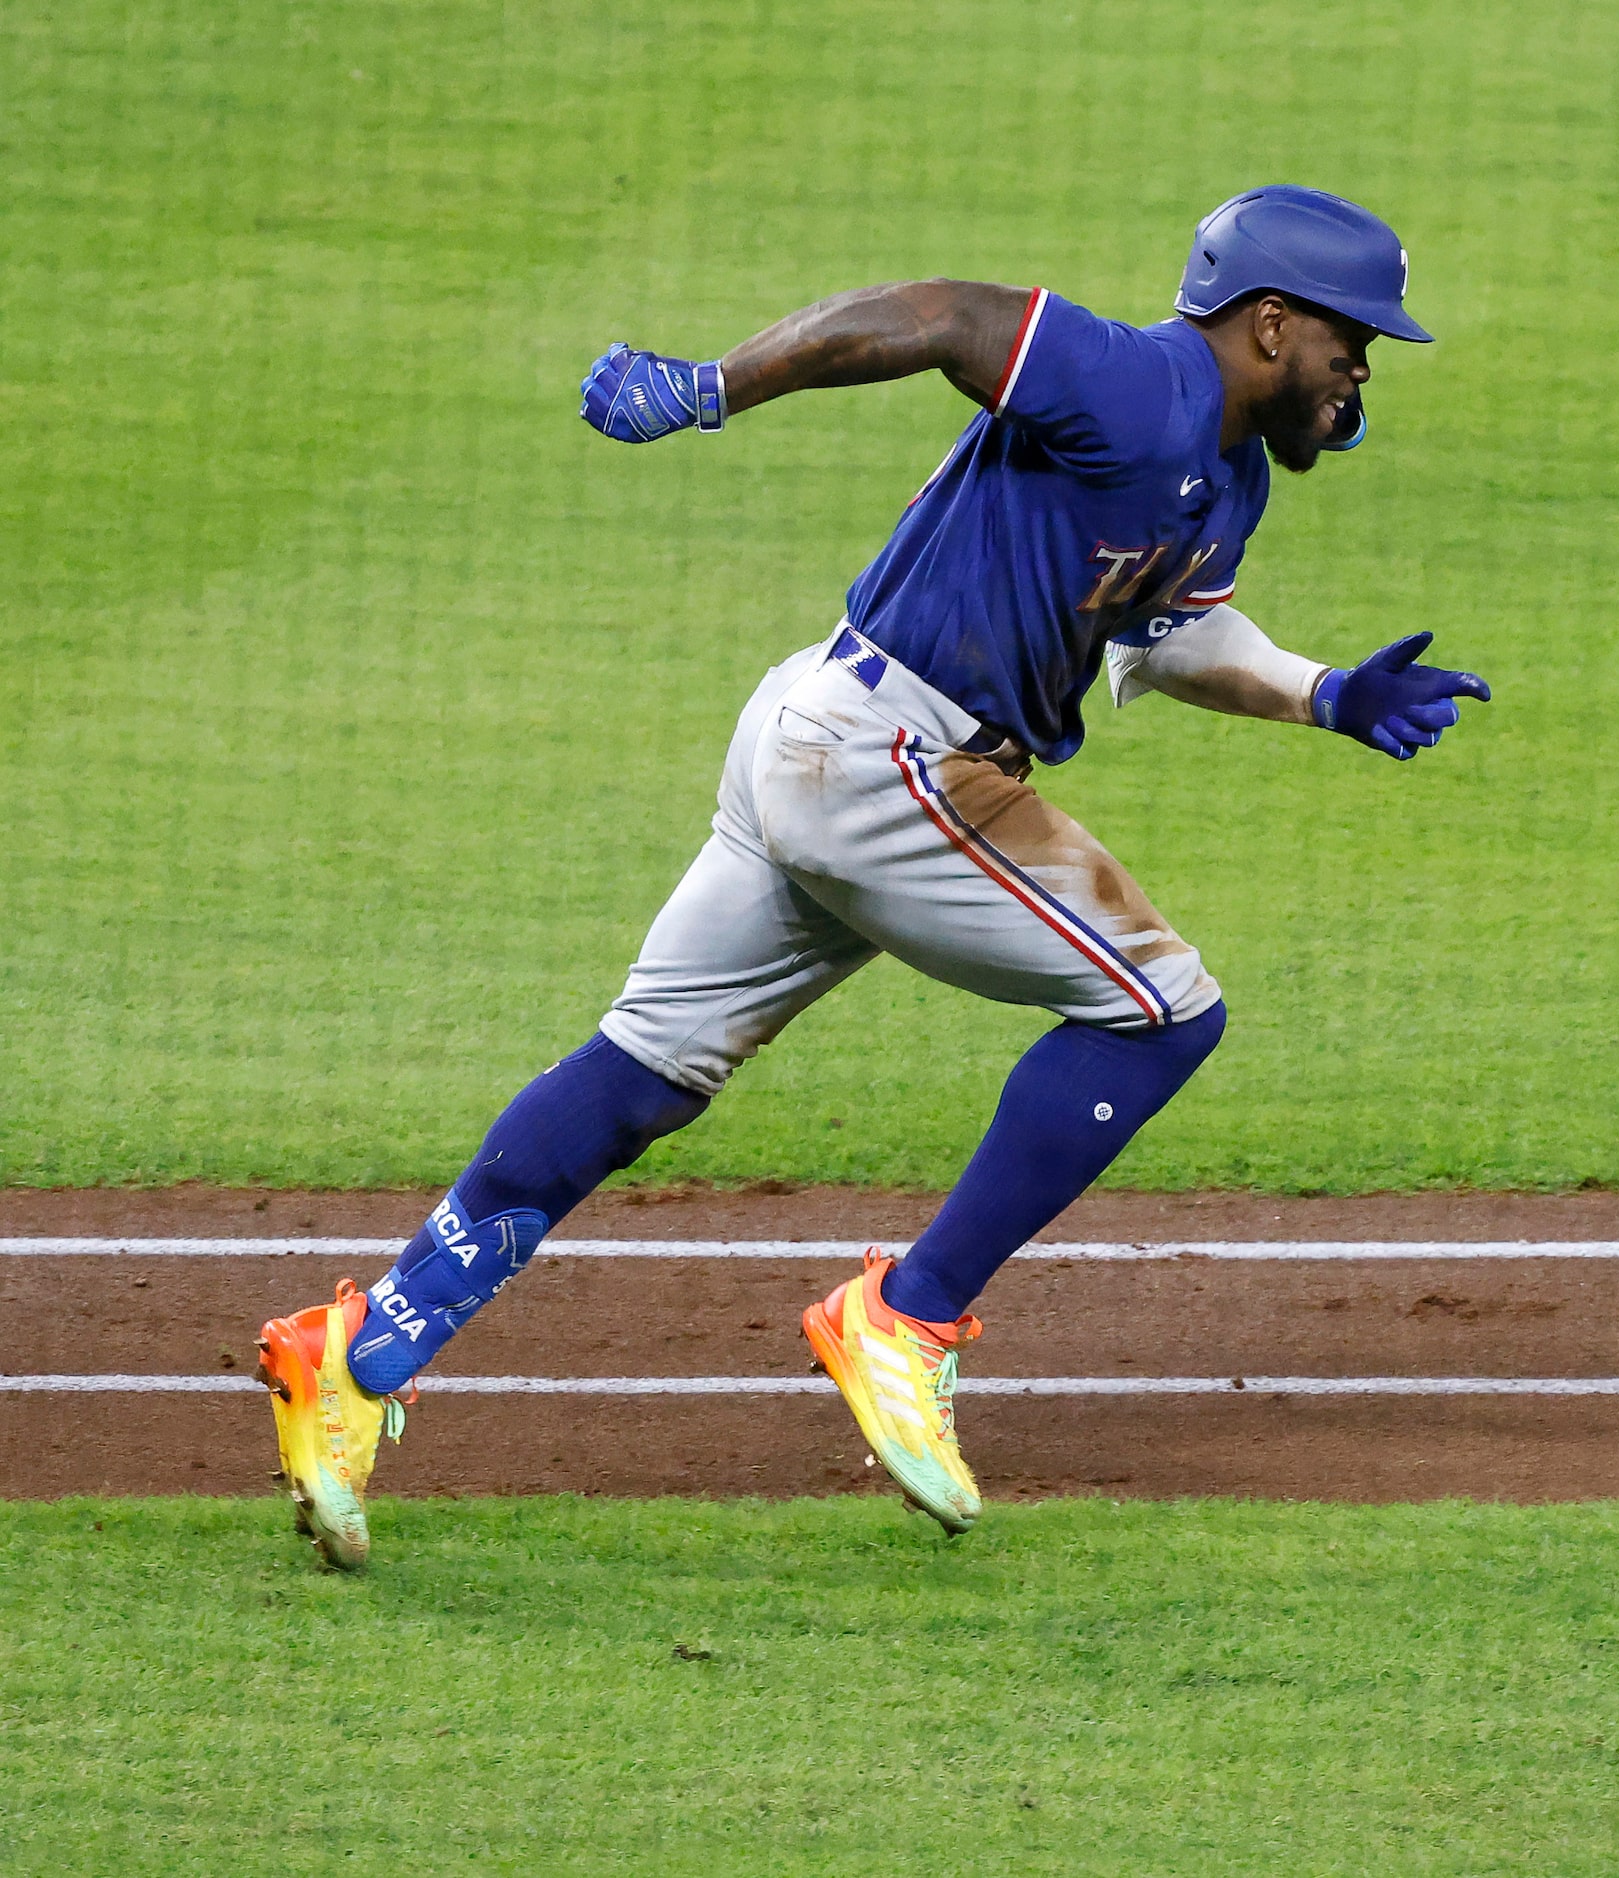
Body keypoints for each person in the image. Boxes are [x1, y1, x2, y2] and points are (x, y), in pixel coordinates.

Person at [252, 186, 1488, 1569]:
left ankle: (354, 1355)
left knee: (645, 1069)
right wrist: (710, 387)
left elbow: (1163, 632)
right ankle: (906, 1312)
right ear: (1268, 324)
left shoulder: (1227, 471)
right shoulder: (1137, 379)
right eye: (1351, 340)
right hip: (889, 757)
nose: (1363, 369)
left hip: (818, 739)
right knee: (1162, 1009)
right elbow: (939, 318)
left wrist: (1323, 693)